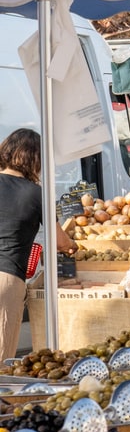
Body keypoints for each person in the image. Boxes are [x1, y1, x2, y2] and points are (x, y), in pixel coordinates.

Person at [0, 128, 74, 360]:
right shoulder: (36, 194)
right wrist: (73, 244)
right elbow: (60, 242)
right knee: (2, 358)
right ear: (36, 160)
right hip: (7, 278)